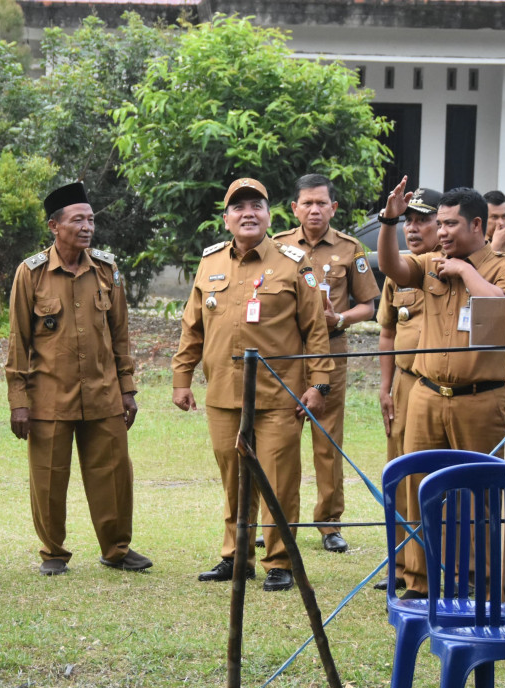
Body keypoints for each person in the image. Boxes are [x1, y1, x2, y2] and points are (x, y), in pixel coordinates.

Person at [173, 178, 332, 592]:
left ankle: (280, 561)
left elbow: (316, 329)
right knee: (233, 479)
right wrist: (181, 378)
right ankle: (236, 557)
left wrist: (319, 383)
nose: (248, 213)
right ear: (226, 219)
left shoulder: (293, 262)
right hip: (224, 395)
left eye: (256, 206)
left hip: (280, 396)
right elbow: (192, 328)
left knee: (279, 480)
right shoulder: (209, 264)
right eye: (238, 207)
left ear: (269, 215)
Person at [376, 180, 505, 600]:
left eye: (450, 224)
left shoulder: (502, 264)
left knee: (482, 494)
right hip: (426, 394)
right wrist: (389, 220)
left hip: (480, 399)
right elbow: (391, 266)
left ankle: (482, 582)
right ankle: (422, 582)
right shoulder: (429, 263)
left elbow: (504, 313)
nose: (441, 232)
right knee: (421, 488)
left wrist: (465, 271)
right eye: (438, 224)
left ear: (477, 224)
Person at [5, 182, 151, 576]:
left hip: (104, 393)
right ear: (54, 226)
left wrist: (128, 389)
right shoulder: (31, 273)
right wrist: (19, 401)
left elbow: (120, 334)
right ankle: (53, 552)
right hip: (49, 396)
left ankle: (117, 550)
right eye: (77, 220)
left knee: (114, 475)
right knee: (49, 479)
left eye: (90, 219)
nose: (87, 227)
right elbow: (18, 340)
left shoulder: (106, 269)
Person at [274, 173, 379, 553]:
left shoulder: (352, 249)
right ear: (295, 208)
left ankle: (330, 523)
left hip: (331, 351)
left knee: (327, 440)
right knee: (279, 439)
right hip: (286, 355)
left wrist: (342, 319)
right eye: (307, 203)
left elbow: (369, 306)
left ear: (334, 208)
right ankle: (275, 520)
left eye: (322, 203)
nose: (314, 209)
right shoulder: (278, 246)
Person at [374, 186, 440, 590]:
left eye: (423, 221)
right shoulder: (398, 272)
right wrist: (385, 387)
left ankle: (432, 566)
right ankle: (399, 566)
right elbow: (386, 331)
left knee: (433, 478)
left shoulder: (446, 268)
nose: (413, 229)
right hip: (404, 383)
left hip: (439, 386)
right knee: (399, 477)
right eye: (409, 221)